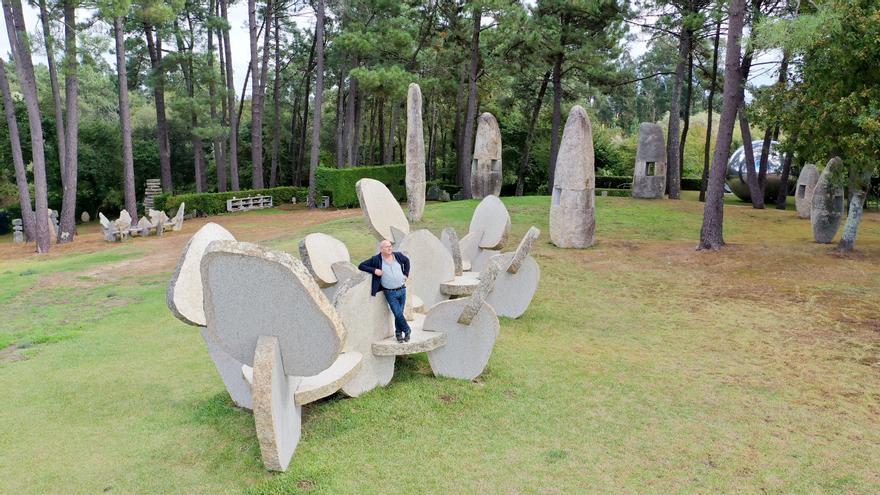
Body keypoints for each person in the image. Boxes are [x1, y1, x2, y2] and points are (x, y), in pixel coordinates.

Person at [358, 239, 412, 343]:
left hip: (402, 290)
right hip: (390, 292)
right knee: (397, 313)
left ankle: (398, 334)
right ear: (381, 249)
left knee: (399, 314)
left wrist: (406, 274)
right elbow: (361, 265)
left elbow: (407, 261)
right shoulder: (376, 259)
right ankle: (407, 329)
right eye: (387, 246)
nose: (390, 248)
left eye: (390, 246)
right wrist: (374, 270)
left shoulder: (398, 256)